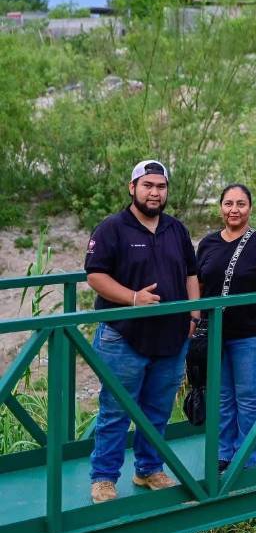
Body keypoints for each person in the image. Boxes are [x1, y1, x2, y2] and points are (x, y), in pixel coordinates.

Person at [85, 160, 199, 503]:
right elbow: (95, 276)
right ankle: (104, 477)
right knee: (116, 410)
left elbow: (191, 274)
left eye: (161, 187)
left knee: (158, 409)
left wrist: (193, 313)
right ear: (132, 188)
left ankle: (148, 469)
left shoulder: (175, 229)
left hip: (172, 336)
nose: (155, 192)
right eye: (148, 185)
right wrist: (133, 298)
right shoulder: (111, 228)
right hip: (124, 336)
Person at [196, 184, 256, 471]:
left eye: (240, 204)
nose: (234, 210)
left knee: (248, 400)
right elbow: (198, 286)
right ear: (220, 207)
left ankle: (246, 459)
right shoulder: (208, 243)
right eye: (228, 203)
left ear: (250, 208)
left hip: (254, 334)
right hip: (216, 333)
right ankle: (224, 454)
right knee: (223, 397)